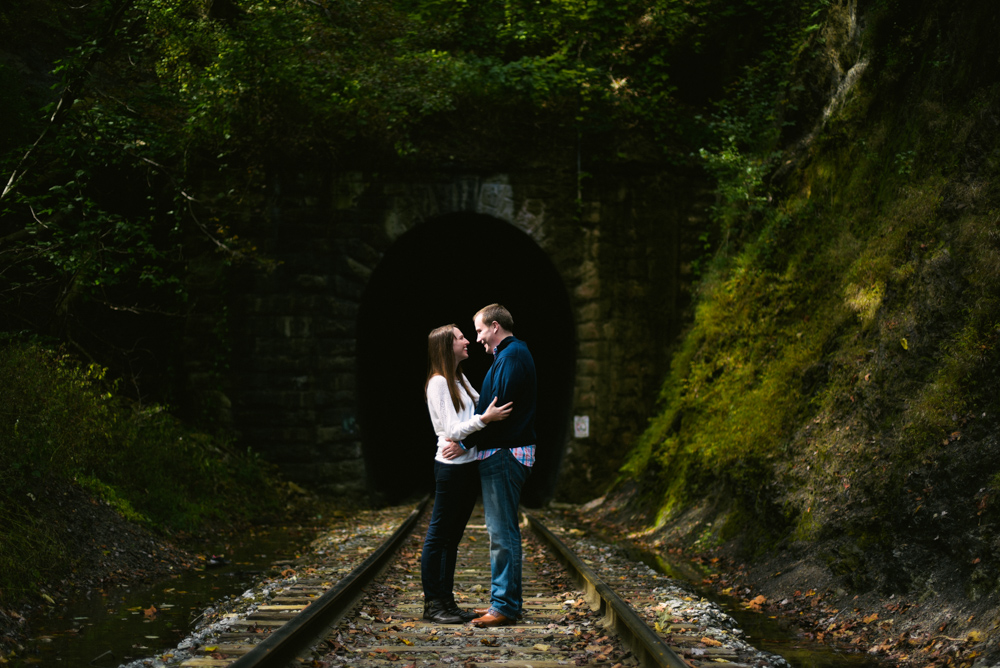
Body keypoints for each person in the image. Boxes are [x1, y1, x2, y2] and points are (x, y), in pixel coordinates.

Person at [442, 304, 537, 628]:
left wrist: (465, 443)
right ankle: (506, 602)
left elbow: (501, 409)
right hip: (501, 452)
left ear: (495, 327)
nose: (478, 338)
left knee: (501, 532)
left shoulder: (510, 357)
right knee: (502, 531)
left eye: (480, 330)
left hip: (504, 453)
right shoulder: (509, 356)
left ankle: (505, 607)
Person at [421, 324, 513, 625]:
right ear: (447, 347)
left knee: (452, 539)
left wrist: (480, 421)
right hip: (449, 469)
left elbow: (473, 414)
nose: (467, 341)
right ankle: (433, 604)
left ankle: (447, 602)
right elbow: (451, 431)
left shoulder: (458, 378)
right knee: (438, 536)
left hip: (466, 466)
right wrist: (485, 419)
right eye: (461, 337)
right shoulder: (437, 383)